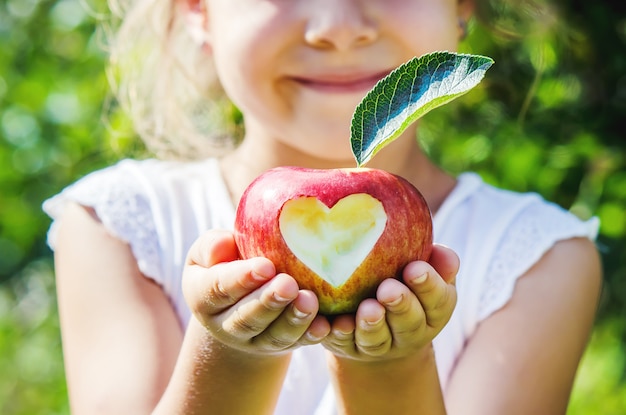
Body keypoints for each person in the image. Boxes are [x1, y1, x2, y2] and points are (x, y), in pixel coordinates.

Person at [43, 0, 602, 414]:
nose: (337, 28)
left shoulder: (536, 259)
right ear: (197, 9)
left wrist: (387, 361)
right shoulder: (119, 225)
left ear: (461, 6)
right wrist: (234, 351)